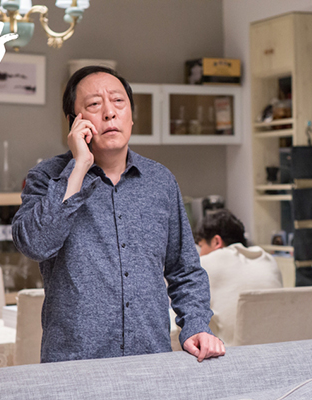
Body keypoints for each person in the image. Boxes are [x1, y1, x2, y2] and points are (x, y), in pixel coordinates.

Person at [12, 66, 224, 363]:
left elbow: (184, 269)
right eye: (94, 104)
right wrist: (79, 166)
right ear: (74, 123)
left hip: (150, 360)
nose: (110, 113)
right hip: (75, 365)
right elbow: (36, 244)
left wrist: (196, 325)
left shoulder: (160, 181)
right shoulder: (47, 177)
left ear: (131, 116)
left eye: (118, 101)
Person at [195, 210, 283, 346]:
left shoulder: (206, 264)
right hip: (277, 348)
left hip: (232, 354)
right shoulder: (269, 260)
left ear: (217, 241)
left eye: (201, 246)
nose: (200, 254)